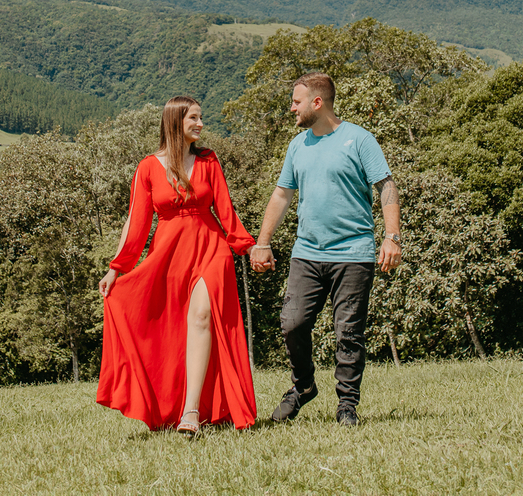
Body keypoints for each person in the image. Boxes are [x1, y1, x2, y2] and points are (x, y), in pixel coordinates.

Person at [96, 96, 258, 435]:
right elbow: (136, 223)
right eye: (193, 118)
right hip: (169, 255)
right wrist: (116, 267)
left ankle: (191, 412)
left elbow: (225, 210)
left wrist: (248, 245)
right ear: (175, 122)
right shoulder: (147, 167)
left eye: (200, 117)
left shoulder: (209, 160)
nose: (200, 124)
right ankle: (171, 405)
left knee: (201, 317)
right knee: (171, 331)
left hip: (211, 248)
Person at [249, 72, 402, 426]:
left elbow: (386, 186)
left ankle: (347, 405)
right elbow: (282, 195)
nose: (292, 108)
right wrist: (262, 243)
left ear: (317, 103)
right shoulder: (297, 145)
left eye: (296, 102)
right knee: (292, 323)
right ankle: (303, 386)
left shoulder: (359, 139)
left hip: (353, 254)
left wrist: (391, 237)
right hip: (307, 253)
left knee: (348, 332)